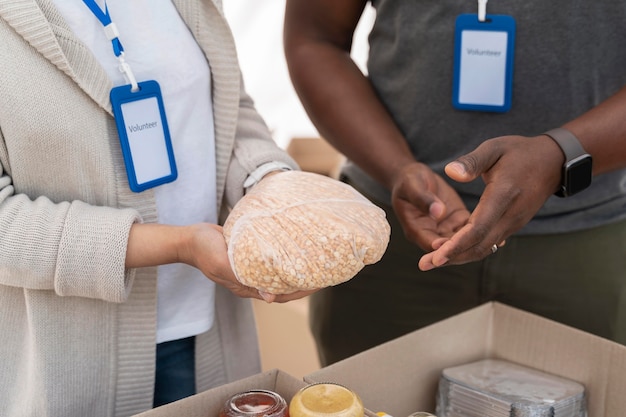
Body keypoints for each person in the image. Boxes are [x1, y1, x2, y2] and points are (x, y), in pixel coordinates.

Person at [0, 1, 313, 416]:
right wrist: (180, 245)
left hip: (210, 332)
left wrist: (270, 185)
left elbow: (230, 107)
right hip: (64, 366)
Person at [283, 0, 626, 366]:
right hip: (392, 238)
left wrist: (562, 155)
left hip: (584, 246)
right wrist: (396, 167)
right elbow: (314, 38)